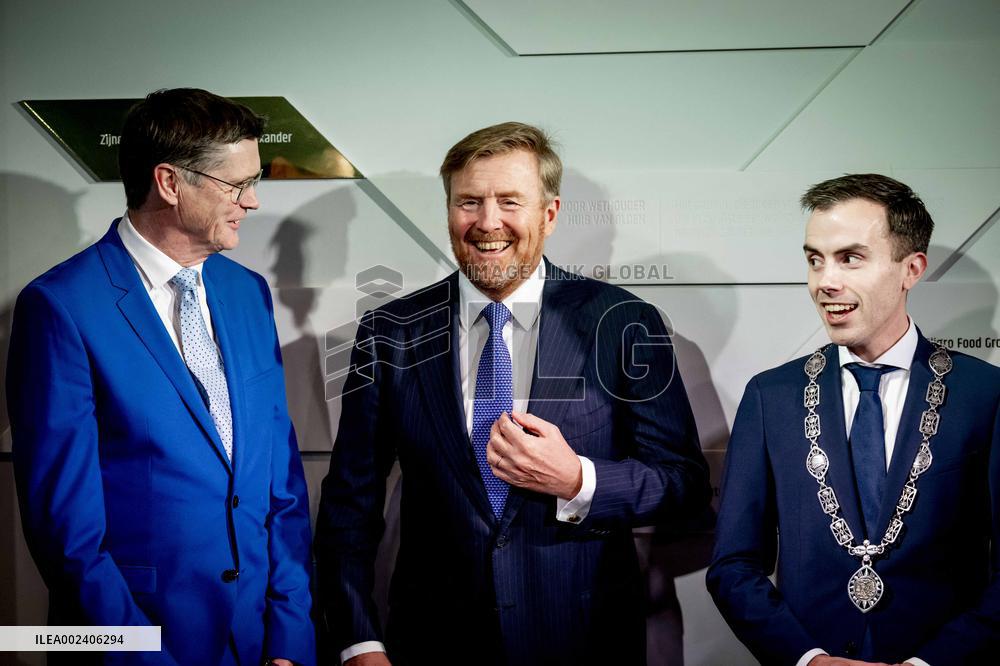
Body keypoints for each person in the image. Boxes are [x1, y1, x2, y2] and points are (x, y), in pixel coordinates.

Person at [314, 122, 710, 665]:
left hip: (583, 639)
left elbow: (683, 483)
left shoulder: (623, 323)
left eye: (509, 201)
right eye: (469, 202)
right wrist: (359, 640)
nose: (487, 222)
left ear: (549, 214)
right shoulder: (391, 331)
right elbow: (349, 505)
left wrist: (578, 480)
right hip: (432, 643)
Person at [6, 88, 316, 666]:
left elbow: (282, 482)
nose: (251, 202)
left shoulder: (248, 293)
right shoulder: (60, 306)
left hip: (258, 643)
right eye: (236, 184)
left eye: (255, 182)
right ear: (170, 183)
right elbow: (67, 535)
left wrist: (291, 635)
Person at [707, 173, 1000, 665]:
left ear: (911, 269)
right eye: (814, 260)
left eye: (850, 258)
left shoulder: (984, 396)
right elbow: (734, 565)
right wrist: (808, 659)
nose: (825, 282)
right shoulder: (771, 397)